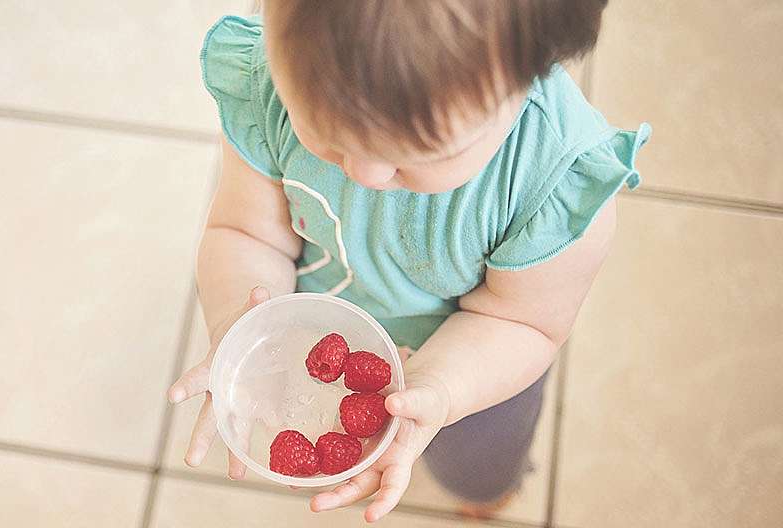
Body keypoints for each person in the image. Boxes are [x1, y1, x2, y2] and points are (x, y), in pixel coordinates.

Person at [168, 0, 649, 521]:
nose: (366, 173)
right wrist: (241, 322)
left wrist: (440, 388)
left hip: (477, 364)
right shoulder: (270, 80)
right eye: (328, 135)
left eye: (423, 154)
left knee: (477, 464)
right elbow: (247, 232)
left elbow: (523, 322)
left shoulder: (553, 183)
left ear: (529, 75)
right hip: (327, 316)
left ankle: (486, 493)